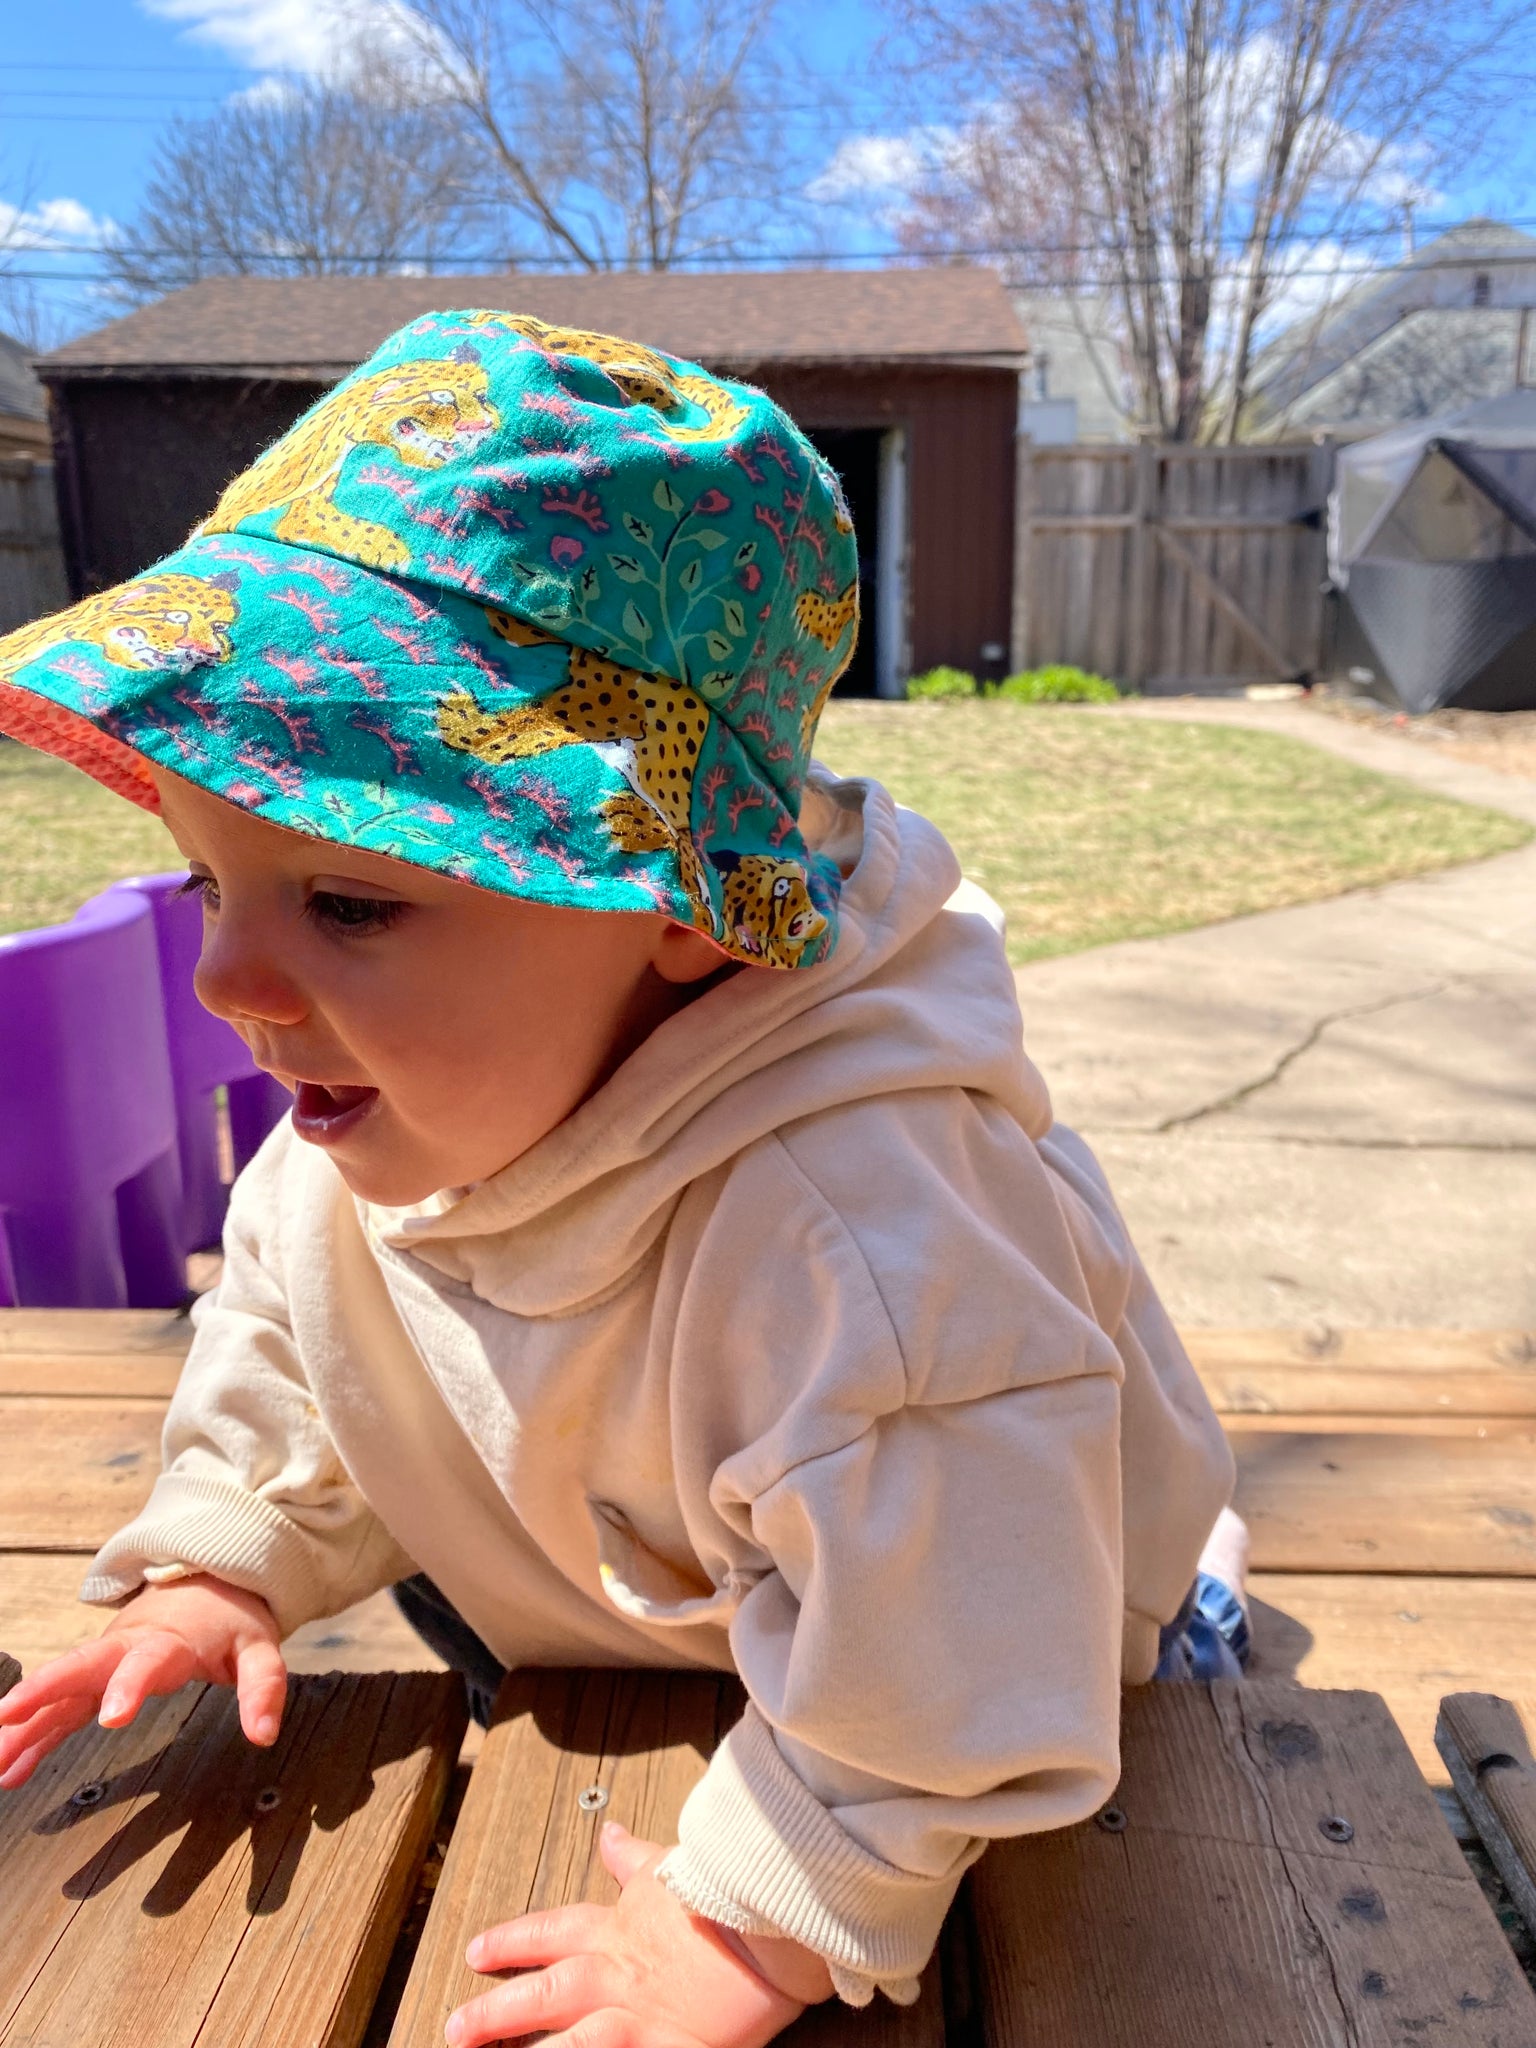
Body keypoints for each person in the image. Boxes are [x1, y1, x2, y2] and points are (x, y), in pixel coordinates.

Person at [0, 311, 1242, 2046]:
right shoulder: (377, 1117)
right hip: (663, 1629)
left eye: (348, 901)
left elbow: (969, 1633)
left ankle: (1207, 1587)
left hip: (1003, 1669)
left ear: (676, 903)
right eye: (213, 885)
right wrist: (233, 1553)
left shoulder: (861, 1225)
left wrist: (762, 1921)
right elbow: (301, 1334)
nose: (228, 984)